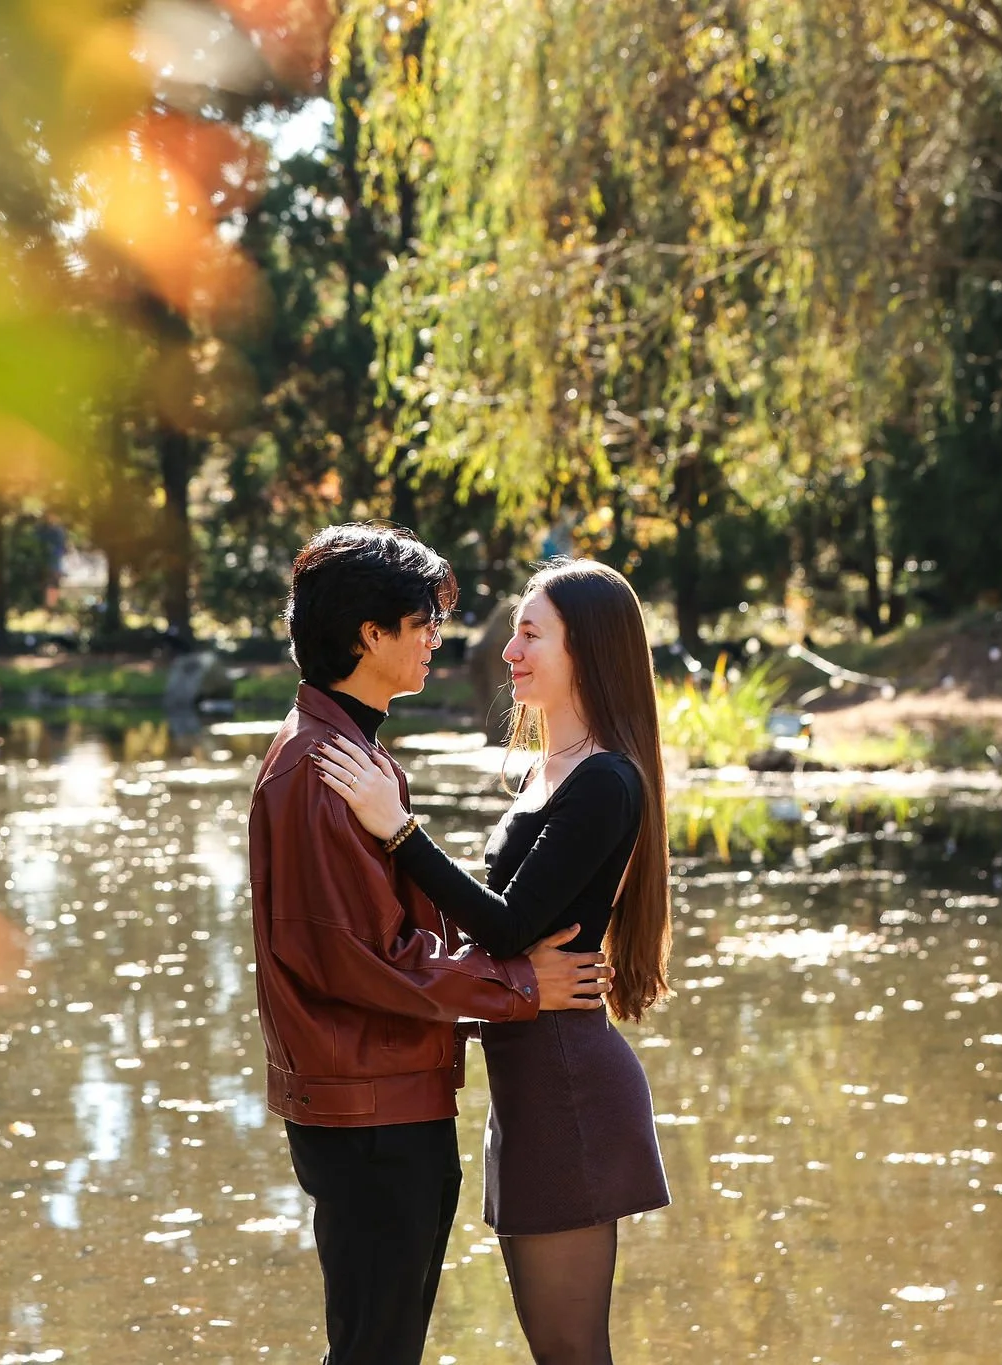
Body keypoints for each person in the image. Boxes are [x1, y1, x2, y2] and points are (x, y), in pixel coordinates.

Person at [248, 525, 614, 1365]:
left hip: (383, 1095)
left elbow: (392, 935)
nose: (435, 640)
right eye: (421, 623)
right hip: (370, 1110)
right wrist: (521, 985)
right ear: (369, 635)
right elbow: (360, 960)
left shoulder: (346, 751)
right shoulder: (319, 769)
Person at [313, 557, 674, 1365]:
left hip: (566, 1083)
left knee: (572, 1351)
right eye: (514, 630)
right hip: (528, 1077)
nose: (507, 649)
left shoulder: (606, 780)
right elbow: (492, 932)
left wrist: (397, 829)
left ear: (589, 649)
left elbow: (507, 927)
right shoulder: (549, 772)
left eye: (530, 632)